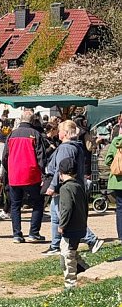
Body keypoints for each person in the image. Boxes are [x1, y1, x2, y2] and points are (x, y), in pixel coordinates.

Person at [46, 120, 103, 256]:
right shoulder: (77, 146)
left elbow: (61, 169)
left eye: (60, 130)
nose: (58, 133)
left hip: (65, 186)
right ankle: (55, 245)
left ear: (64, 133)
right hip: (74, 184)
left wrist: (53, 186)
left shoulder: (66, 148)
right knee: (55, 215)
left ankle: (91, 239)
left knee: (65, 215)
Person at [2, 109, 46, 244]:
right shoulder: (36, 134)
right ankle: (34, 233)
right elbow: (41, 157)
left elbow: (5, 156)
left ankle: (17, 234)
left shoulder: (11, 135)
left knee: (15, 205)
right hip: (32, 174)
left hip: (15, 175)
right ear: (33, 121)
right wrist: (44, 173)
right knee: (38, 203)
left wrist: (9, 169)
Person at [57, 157, 89, 291]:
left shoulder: (65, 188)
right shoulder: (79, 186)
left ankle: (70, 284)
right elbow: (85, 206)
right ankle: (86, 270)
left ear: (60, 173)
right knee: (73, 251)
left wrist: (62, 225)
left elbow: (67, 208)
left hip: (70, 227)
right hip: (80, 224)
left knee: (67, 255)